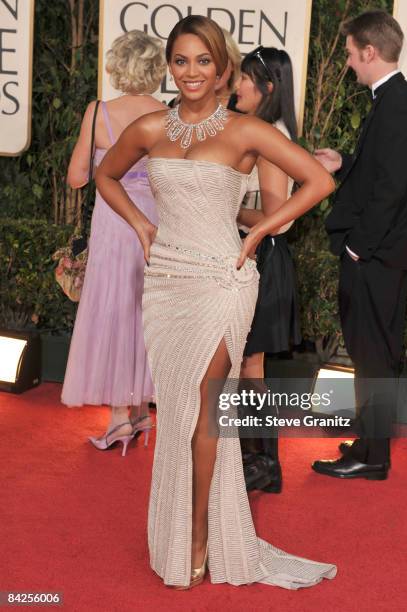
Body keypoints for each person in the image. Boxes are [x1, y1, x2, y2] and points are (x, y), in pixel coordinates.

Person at [96, 15, 336, 589]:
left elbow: (318, 183)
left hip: (223, 282)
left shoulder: (246, 131)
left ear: (223, 67)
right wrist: (140, 226)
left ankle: (200, 536)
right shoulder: (152, 127)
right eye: (181, 61)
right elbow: (105, 176)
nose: (191, 72)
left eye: (203, 61)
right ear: (169, 68)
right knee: (176, 413)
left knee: (206, 406)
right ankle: (181, 528)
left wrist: (257, 233)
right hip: (166, 283)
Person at [312, 10, 407, 480]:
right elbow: (383, 172)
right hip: (376, 254)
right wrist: (345, 162)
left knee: (374, 356)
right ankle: (369, 442)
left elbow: (393, 191)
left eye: (348, 53)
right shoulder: (395, 100)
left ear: (369, 51)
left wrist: (358, 248)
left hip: (374, 256)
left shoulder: (399, 103)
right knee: (370, 355)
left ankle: (373, 456)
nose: (346, 63)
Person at [62, 30, 166, 455]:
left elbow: (76, 178)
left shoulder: (99, 112)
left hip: (113, 222)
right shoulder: (168, 114)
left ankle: (121, 419)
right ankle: (140, 410)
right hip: (155, 224)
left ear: (117, 65)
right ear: (158, 69)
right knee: (148, 312)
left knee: (116, 311)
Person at [235, 46, 302, 493]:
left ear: (268, 89)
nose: (236, 86)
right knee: (246, 364)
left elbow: (280, 217)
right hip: (258, 258)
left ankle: (261, 462)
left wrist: (227, 209)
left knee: (249, 364)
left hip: (265, 258)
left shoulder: (270, 140)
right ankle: (258, 459)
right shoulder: (264, 132)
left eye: (244, 79)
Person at [168, 27, 241, 109]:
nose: (212, 70)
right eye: (204, 61)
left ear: (233, 65)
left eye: (219, 60)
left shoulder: (243, 105)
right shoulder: (175, 105)